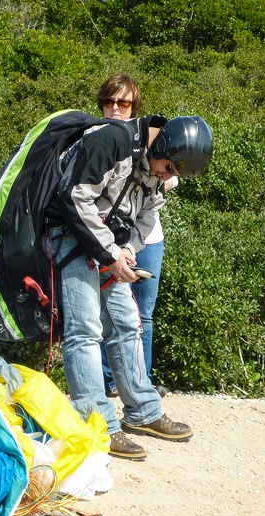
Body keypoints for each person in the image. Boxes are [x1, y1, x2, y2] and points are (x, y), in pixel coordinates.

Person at [43, 104, 213, 460]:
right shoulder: (111, 141)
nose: (168, 178)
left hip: (109, 243)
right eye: (167, 169)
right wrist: (110, 254)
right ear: (161, 147)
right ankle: (98, 424)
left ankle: (143, 411)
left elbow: (148, 214)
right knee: (85, 328)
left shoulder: (161, 167)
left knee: (127, 323)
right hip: (69, 234)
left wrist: (127, 250)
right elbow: (74, 196)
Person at [95, 74, 177, 400]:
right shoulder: (98, 137)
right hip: (106, 238)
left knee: (141, 314)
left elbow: (172, 176)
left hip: (146, 237)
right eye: (109, 101)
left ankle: (142, 382)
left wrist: (153, 176)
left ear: (135, 107)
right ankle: (108, 381)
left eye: (124, 102)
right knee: (107, 313)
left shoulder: (152, 140)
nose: (116, 108)